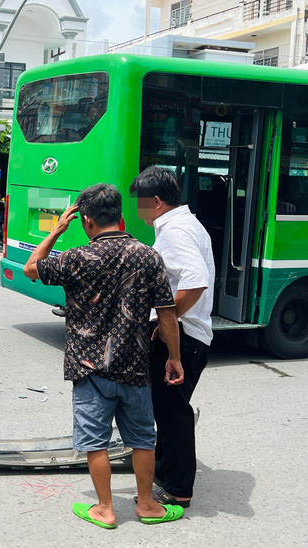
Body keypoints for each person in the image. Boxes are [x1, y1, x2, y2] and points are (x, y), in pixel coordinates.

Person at [23, 183, 184, 529]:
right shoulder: (148, 256)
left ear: (86, 222)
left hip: (89, 370)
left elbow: (31, 268)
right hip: (135, 368)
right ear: (121, 216)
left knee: (96, 444)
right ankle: (147, 506)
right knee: (143, 439)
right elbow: (167, 313)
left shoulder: (77, 258)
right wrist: (174, 357)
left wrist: (55, 232)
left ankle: (106, 510)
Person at [130, 166, 215, 509]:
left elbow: (195, 281)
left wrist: (170, 317)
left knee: (172, 411)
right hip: (188, 332)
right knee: (166, 409)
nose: (138, 210)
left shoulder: (175, 230)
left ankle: (179, 487)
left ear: (156, 201)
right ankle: (166, 473)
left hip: (183, 335)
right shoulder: (185, 224)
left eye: (140, 203)